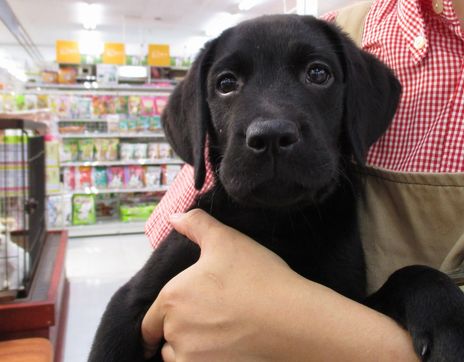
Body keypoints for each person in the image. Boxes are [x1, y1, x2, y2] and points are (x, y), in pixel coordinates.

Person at [141, 0, 464, 360]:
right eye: (227, 83)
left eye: (317, 74)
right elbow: (134, 313)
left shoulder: (337, 230)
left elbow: (356, 308)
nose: (270, 123)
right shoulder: (341, 29)